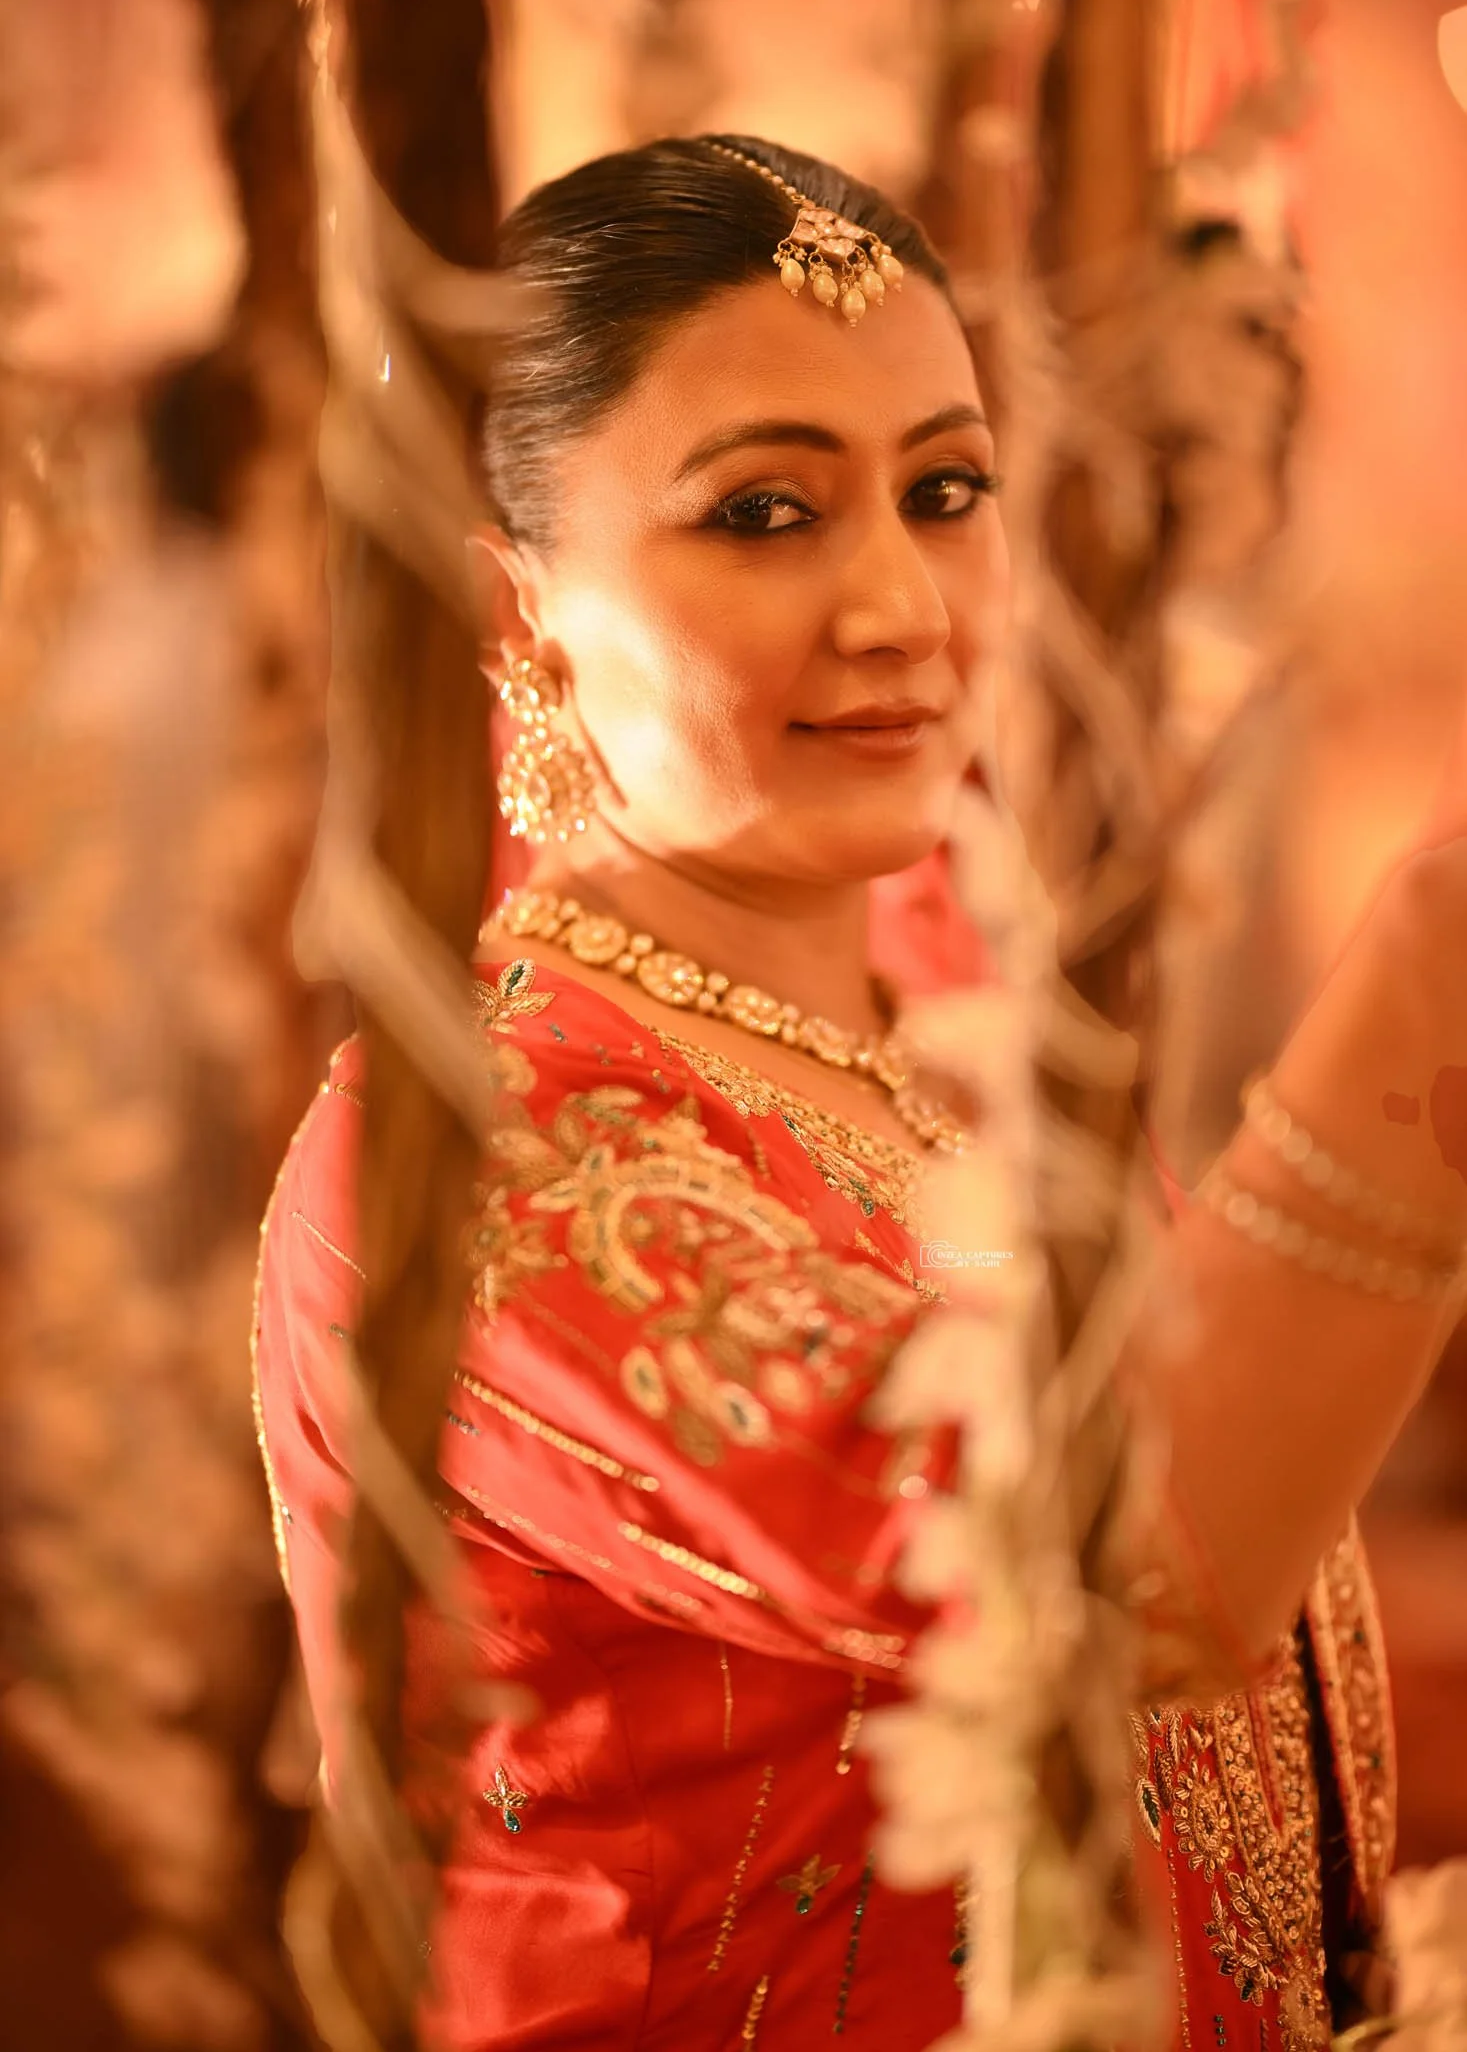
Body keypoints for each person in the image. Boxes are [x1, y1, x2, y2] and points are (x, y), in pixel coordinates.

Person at [253, 134, 1467, 2052]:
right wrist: (1439, 958)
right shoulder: (482, 1155)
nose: (903, 604)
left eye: (945, 487)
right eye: (761, 514)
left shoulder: (952, 1039)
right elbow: (1112, 1581)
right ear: (514, 610)